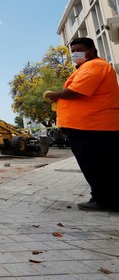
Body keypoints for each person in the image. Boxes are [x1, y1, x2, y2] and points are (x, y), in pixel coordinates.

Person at [45, 37, 119, 211]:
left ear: (91, 50)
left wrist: (55, 95)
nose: (75, 54)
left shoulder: (96, 66)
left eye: (79, 49)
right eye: (73, 51)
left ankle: (105, 200)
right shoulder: (89, 67)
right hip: (91, 126)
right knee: (97, 164)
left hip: (93, 127)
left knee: (96, 165)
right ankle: (103, 198)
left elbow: (77, 91)